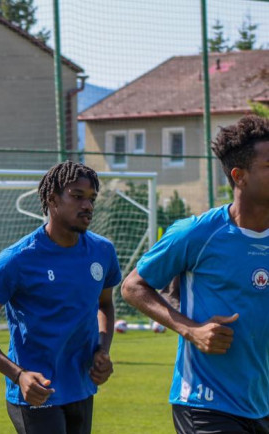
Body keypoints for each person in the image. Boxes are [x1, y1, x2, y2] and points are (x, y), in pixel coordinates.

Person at [121, 114, 269, 434]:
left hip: (262, 401)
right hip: (206, 403)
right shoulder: (197, 233)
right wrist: (192, 330)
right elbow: (133, 286)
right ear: (239, 176)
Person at [0, 161, 120, 434]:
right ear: (52, 199)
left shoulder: (102, 252)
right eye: (77, 196)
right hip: (36, 392)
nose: (87, 206)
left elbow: (104, 304)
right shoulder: (17, 259)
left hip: (81, 387)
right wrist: (18, 375)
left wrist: (102, 349)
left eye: (91, 198)